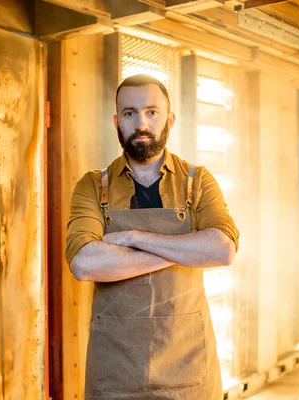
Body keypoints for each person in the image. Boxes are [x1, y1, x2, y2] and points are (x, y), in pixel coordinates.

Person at [66, 74, 239, 400]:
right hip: (115, 372)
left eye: (152, 112)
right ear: (117, 122)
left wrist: (131, 237)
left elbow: (222, 249)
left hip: (188, 364)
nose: (141, 122)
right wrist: (184, 250)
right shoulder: (92, 186)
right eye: (130, 113)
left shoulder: (197, 181)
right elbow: (84, 262)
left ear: (169, 119)